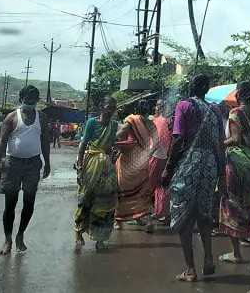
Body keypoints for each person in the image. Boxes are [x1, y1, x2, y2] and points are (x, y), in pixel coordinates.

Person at [162, 74, 225, 283]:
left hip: (189, 164)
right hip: (210, 165)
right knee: (204, 213)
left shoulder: (183, 106)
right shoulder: (215, 110)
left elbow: (178, 138)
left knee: (183, 216)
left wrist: (168, 169)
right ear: (206, 89)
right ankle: (208, 258)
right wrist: (221, 174)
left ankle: (190, 269)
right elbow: (220, 144)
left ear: (192, 87)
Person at [0, 85, 51, 256]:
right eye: (27, 99)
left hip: (33, 164)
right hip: (12, 164)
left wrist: (47, 163)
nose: (31, 102)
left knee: (29, 202)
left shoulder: (42, 117)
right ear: (21, 99)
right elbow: (1, 143)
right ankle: (8, 239)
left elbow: (45, 141)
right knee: (10, 204)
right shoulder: (11, 117)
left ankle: (20, 235)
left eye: (34, 99)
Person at [218, 80, 250, 263]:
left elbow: (236, 140)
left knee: (232, 204)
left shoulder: (235, 112)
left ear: (239, 94)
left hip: (237, 163)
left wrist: (219, 143)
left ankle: (236, 253)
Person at [114, 100, 171, 232]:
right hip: (142, 162)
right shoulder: (151, 123)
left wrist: (115, 142)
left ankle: (118, 220)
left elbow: (119, 135)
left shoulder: (132, 121)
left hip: (127, 162)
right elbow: (156, 143)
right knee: (143, 191)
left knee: (123, 191)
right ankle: (145, 220)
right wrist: (147, 153)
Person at [74, 96, 119, 252]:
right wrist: (80, 168)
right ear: (101, 107)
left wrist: (113, 156)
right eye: (108, 107)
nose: (110, 110)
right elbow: (82, 145)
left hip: (107, 167)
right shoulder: (91, 123)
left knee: (106, 203)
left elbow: (112, 146)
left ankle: (100, 239)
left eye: (113, 108)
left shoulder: (114, 126)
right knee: (86, 199)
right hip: (92, 165)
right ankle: (79, 232)